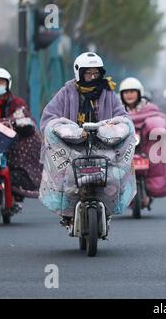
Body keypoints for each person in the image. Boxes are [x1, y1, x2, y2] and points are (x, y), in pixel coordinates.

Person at [40, 52, 132, 226]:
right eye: (88, 73)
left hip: (103, 147)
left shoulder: (108, 93)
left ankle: (108, 208)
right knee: (67, 180)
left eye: (96, 73)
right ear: (79, 73)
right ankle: (67, 213)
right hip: (72, 147)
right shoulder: (66, 93)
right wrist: (71, 132)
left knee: (111, 177)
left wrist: (108, 130)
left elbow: (122, 116)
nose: (92, 77)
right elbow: (49, 117)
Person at [0, 68, 43, 211]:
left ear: (8, 84)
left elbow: (25, 118)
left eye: (1, 82)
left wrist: (18, 125)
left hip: (11, 144)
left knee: (31, 141)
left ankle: (16, 190)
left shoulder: (18, 103)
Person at [119, 77, 166, 208]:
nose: (129, 95)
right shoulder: (118, 111)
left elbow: (159, 119)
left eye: (132, 92)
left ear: (139, 93)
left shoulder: (149, 108)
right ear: (121, 95)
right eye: (126, 92)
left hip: (145, 144)